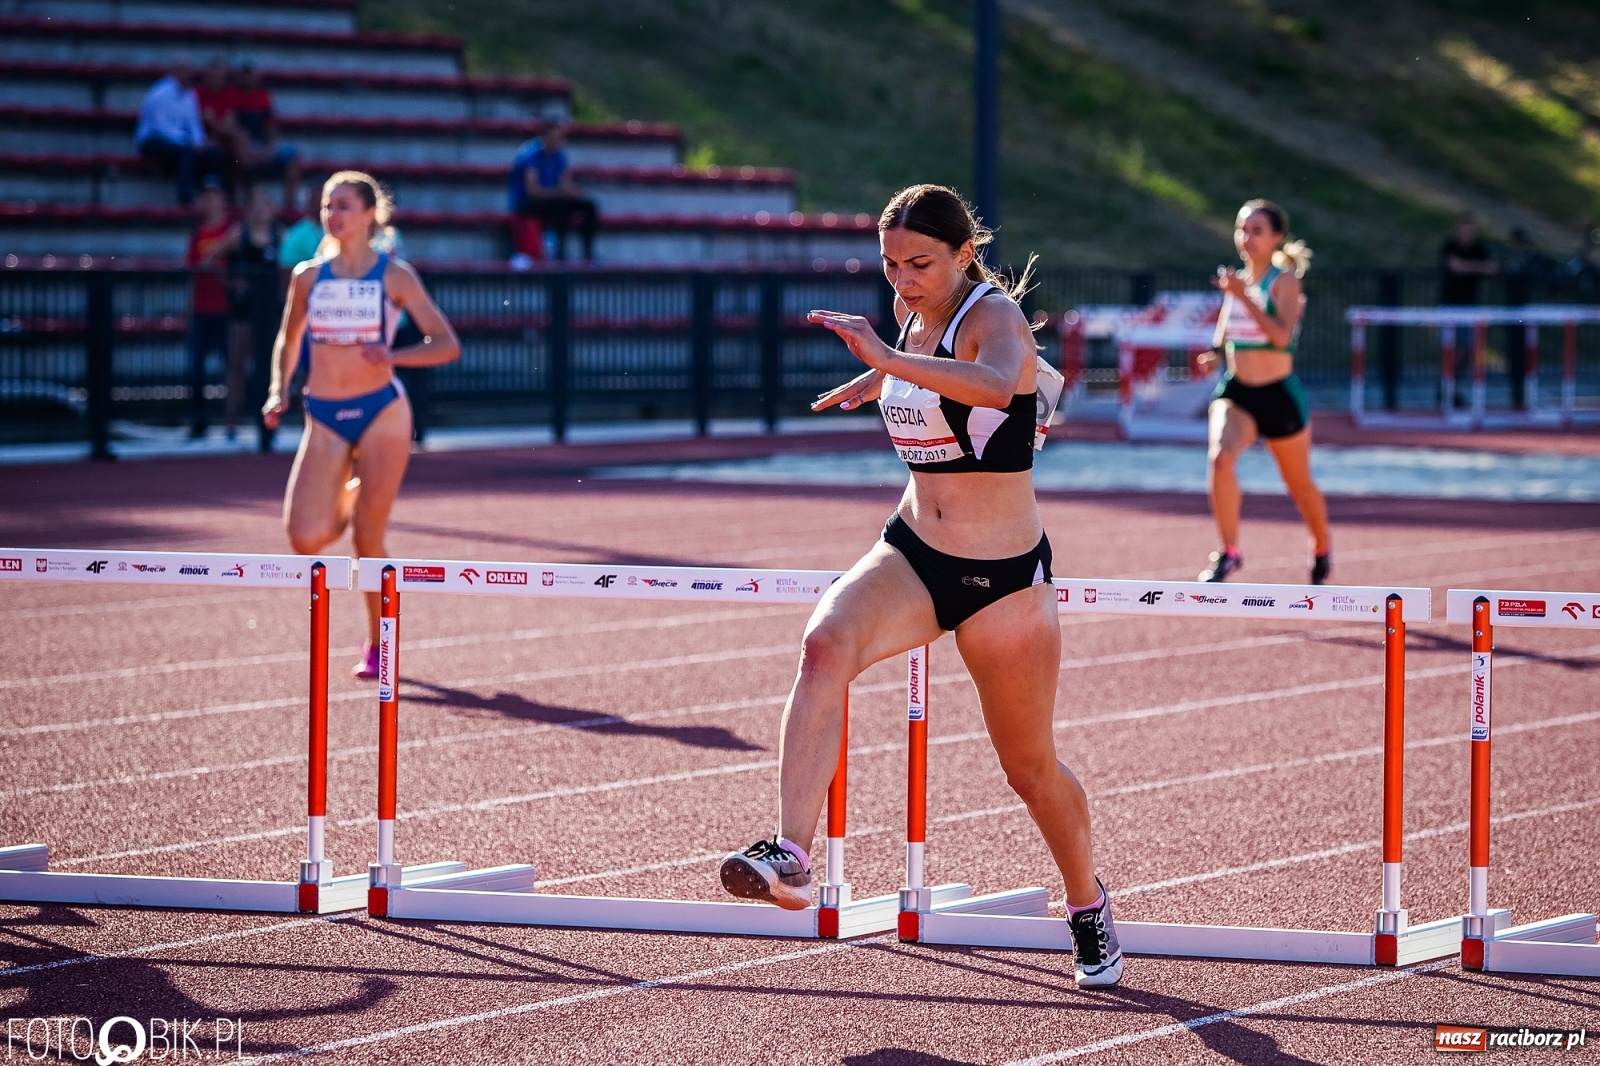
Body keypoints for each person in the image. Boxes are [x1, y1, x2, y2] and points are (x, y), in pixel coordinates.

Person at [717, 184, 1118, 988]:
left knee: (1029, 769)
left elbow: (1000, 383)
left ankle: (1086, 904)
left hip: (1003, 579)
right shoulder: (911, 318)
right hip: (914, 552)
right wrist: (883, 381)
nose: (903, 279)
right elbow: (936, 385)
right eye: (891, 263)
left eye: (921, 264)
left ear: (965, 254)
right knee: (824, 644)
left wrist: (891, 363)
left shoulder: (990, 315)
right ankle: (793, 853)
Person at [262, 171, 460, 677]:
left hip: (381, 412)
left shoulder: (395, 277)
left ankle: (379, 645)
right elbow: (288, 338)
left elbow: (446, 344)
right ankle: (349, 492)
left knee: (367, 541)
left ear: (371, 213)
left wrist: (391, 354)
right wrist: (277, 389)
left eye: (344, 205)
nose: (334, 214)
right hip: (324, 413)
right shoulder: (308, 276)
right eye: (329, 205)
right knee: (306, 538)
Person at [1197, 199, 1329, 585]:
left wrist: (1241, 296)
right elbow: (1226, 333)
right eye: (1242, 229)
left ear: (1276, 238)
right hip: (1238, 392)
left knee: (1298, 485)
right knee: (1220, 459)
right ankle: (1229, 551)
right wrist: (1214, 353)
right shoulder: (1236, 281)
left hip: (1278, 395)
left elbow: (1280, 336)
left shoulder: (1284, 282)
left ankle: (1321, 545)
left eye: (1257, 231)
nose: (1247, 238)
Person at [220, 188, 284, 440]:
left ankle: (269, 426)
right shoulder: (238, 235)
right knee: (237, 366)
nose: (260, 211)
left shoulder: (280, 236)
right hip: (243, 312)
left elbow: (289, 270)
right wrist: (231, 283)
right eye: (255, 205)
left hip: (271, 313)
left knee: (271, 369)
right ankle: (230, 423)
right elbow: (209, 260)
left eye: (264, 205)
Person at [185, 178, 234, 438]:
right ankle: (198, 422)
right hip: (203, 311)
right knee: (195, 370)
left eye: (214, 195)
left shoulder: (232, 232)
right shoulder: (197, 235)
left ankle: (232, 421)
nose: (210, 201)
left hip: (226, 312)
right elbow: (194, 274)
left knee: (233, 370)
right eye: (206, 196)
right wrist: (189, 312)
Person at [134, 59, 220, 205]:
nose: (187, 75)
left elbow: (194, 124)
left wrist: (200, 143)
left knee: (212, 151)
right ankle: (185, 199)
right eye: (183, 71)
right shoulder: (159, 93)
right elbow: (160, 127)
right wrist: (188, 143)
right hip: (152, 140)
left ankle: (214, 196)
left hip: (180, 141)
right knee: (186, 152)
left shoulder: (190, 95)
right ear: (173, 72)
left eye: (188, 71)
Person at [508, 125, 598, 261]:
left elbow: (564, 182)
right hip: (527, 203)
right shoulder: (530, 155)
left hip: (553, 199)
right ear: (544, 137)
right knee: (560, 205)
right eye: (553, 138)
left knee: (588, 206)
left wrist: (572, 192)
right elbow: (533, 191)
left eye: (559, 139)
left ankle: (588, 254)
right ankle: (559, 252)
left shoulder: (558, 156)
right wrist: (560, 193)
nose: (557, 142)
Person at [1440, 213, 1498, 408]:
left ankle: (1451, 384)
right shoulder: (1450, 246)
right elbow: (1455, 267)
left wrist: (1468, 267)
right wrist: (1477, 267)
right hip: (1450, 305)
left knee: (1469, 349)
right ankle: (1448, 386)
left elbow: (1492, 268)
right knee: (1452, 348)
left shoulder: (1479, 248)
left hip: (1470, 306)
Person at [231, 63, 303, 207]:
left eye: (250, 74)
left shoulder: (263, 96)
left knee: (293, 156)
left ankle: (289, 203)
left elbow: (271, 128)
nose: (248, 78)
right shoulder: (233, 96)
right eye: (245, 75)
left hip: (262, 148)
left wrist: (269, 149)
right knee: (240, 159)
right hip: (243, 150)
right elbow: (232, 126)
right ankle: (246, 203)